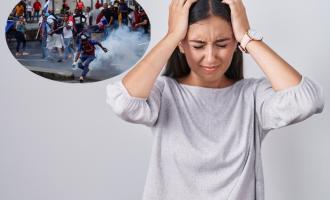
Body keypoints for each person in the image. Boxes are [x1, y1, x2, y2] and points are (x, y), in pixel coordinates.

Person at [106, 0, 324, 199]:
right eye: (198, 45)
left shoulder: (252, 97)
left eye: (222, 44)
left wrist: (247, 36)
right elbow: (123, 102)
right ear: (181, 45)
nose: (210, 57)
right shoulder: (165, 93)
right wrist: (172, 35)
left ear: (236, 43)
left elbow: (306, 101)